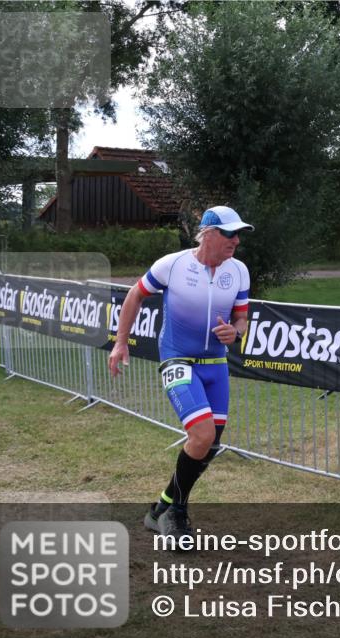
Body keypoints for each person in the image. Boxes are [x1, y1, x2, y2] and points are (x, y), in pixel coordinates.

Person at [109, 206, 253, 539]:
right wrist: (121, 342)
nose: (236, 240)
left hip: (215, 365)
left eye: (239, 234)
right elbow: (135, 295)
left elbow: (242, 318)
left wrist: (236, 331)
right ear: (209, 234)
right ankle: (177, 514)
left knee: (210, 445)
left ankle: (160, 507)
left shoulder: (239, 271)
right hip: (178, 360)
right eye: (230, 234)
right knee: (201, 436)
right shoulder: (172, 264)